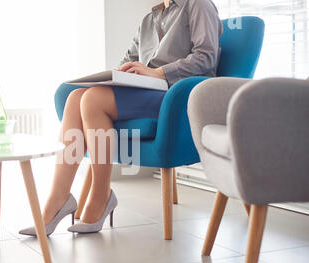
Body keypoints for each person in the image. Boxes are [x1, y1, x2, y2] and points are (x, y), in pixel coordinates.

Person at [20, 0, 223, 236]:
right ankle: (58, 199)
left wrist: (158, 72)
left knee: (92, 100)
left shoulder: (198, 5)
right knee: (76, 97)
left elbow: (206, 56)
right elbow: (127, 60)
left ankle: (101, 195)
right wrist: (117, 76)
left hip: (176, 97)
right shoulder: (150, 18)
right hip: (146, 93)